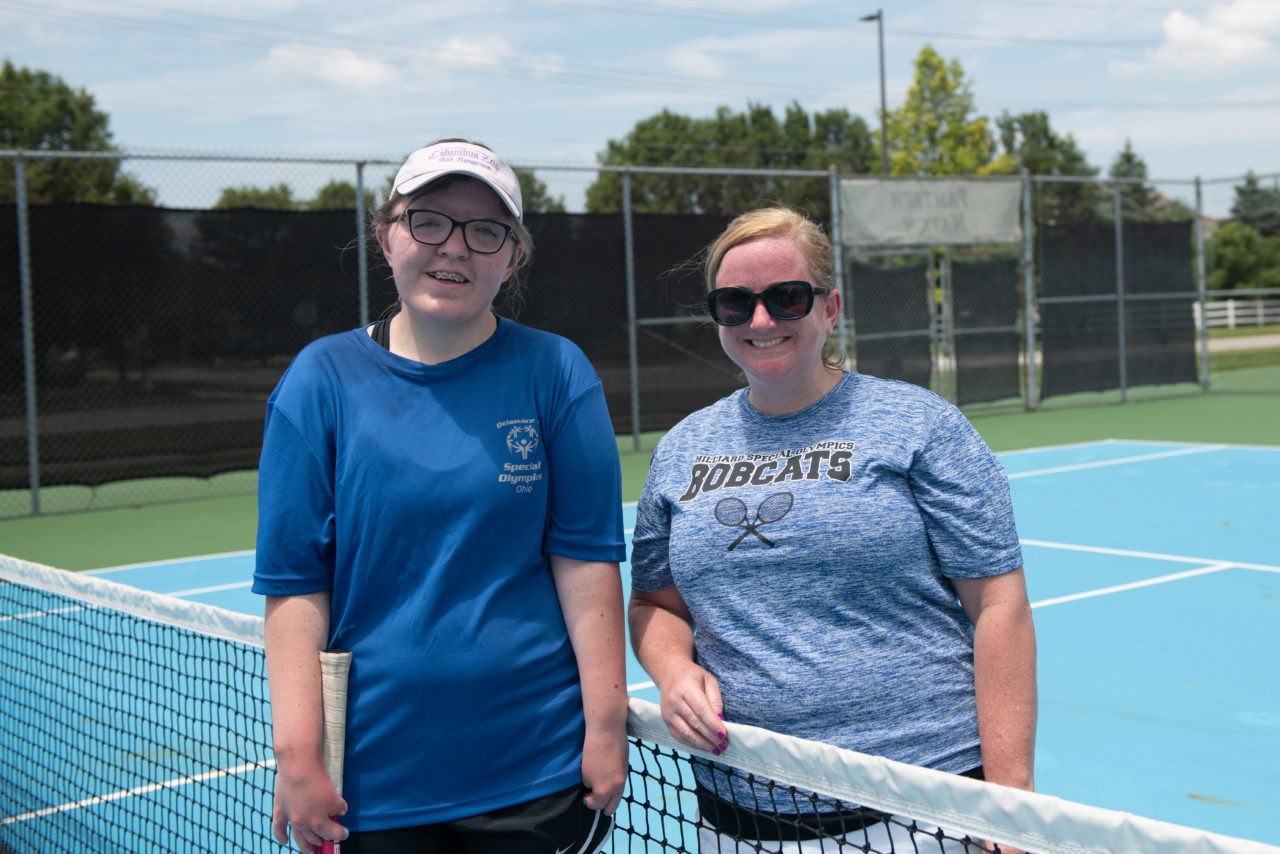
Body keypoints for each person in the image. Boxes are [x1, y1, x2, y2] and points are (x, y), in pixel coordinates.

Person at [253, 139, 628, 854]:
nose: (454, 248)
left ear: (513, 257)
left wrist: (605, 728)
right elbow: (296, 585)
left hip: (536, 773)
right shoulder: (319, 380)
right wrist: (298, 758)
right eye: (429, 221)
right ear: (385, 235)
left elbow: (585, 561)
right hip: (374, 784)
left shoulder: (556, 371)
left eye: (486, 231)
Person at [628, 206, 1037, 852]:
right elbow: (654, 601)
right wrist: (673, 669)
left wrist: (1009, 801)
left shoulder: (920, 426)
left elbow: (998, 604)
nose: (760, 321)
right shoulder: (682, 449)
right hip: (736, 814)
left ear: (830, 308)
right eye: (735, 304)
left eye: (786, 298)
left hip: (916, 812)